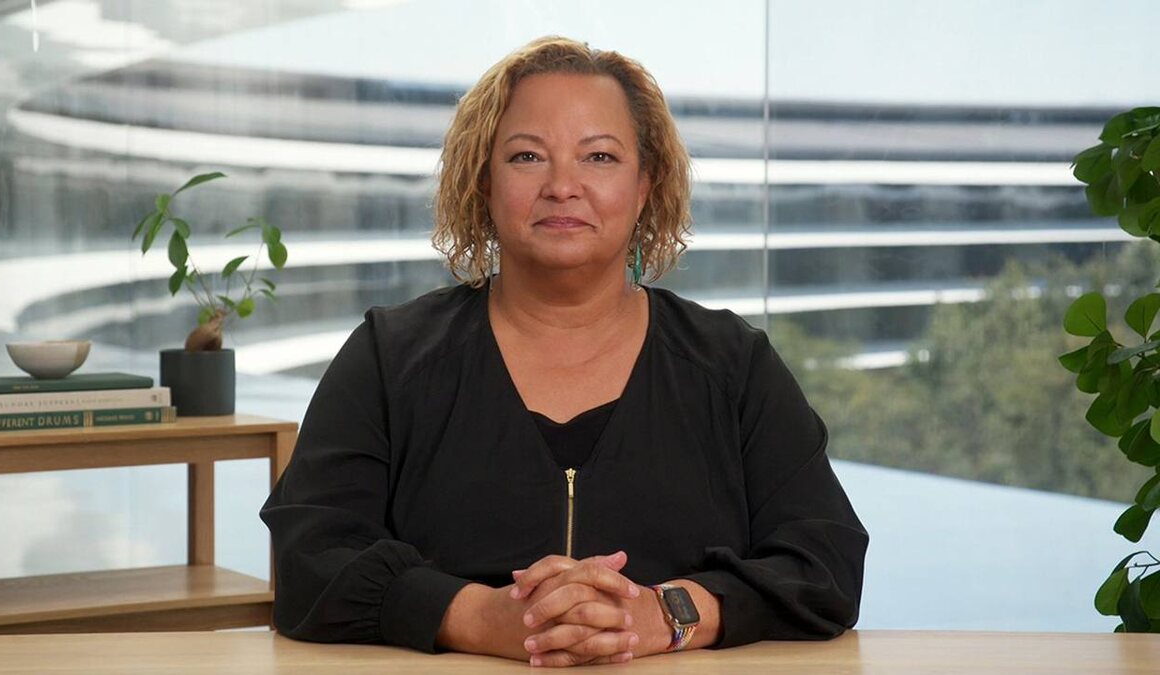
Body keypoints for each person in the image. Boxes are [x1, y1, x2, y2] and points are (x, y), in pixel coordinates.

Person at [261, 36, 868, 668]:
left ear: (645, 186)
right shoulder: (389, 358)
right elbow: (310, 558)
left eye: (599, 156)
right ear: (484, 183)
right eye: (527, 156)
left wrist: (664, 614)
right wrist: (477, 617)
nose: (562, 186)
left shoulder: (733, 365)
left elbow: (824, 562)